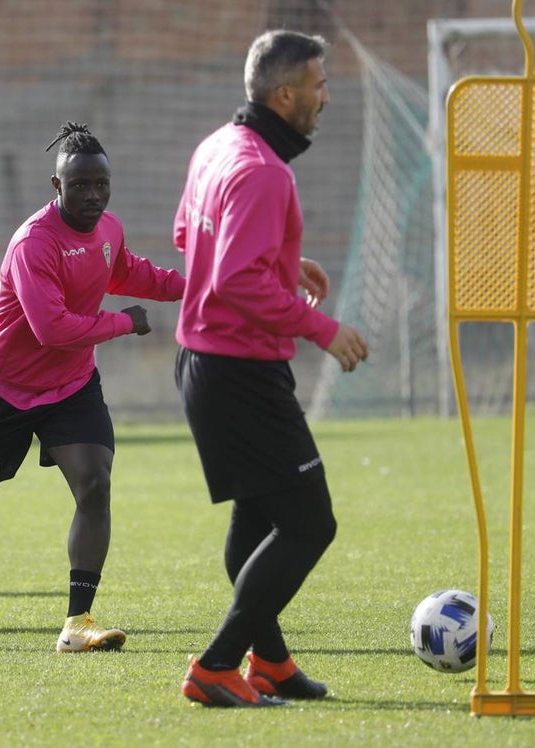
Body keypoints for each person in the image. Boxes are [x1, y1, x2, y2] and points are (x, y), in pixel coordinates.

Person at [0, 122, 185, 653]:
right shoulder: (34, 243)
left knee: (95, 484)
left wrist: (196, 287)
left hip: (71, 386)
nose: (93, 195)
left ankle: (78, 622)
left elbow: (129, 271)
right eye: (80, 185)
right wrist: (125, 323)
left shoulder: (108, 229)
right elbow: (51, 329)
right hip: (4, 391)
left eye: (101, 184)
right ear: (56, 186)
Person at [173, 30, 369, 707]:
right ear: (285, 95)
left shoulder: (217, 147)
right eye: (319, 84)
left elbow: (188, 237)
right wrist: (324, 329)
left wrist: (283, 261)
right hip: (241, 374)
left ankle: (272, 665)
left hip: (206, 366)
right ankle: (216, 667)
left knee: (257, 522)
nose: (326, 96)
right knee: (310, 523)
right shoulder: (264, 171)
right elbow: (234, 280)